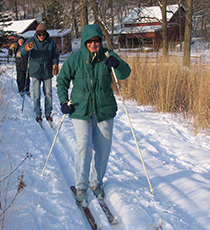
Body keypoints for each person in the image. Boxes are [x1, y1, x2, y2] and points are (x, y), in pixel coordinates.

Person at [56, 24, 131, 203]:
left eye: (96, 41)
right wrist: (63, 101)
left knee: (103, 147)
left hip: (104, 108)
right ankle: (81, 185)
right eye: (89, 41)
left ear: (100, 41)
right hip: (80, 108)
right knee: (84, 145)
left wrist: (117, 64)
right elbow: (62, 81)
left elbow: (124, 73)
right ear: (84, 42)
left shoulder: (108, 56)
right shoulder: (75, 59)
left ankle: (96, 183)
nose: (93, 44)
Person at [21, 23, 60, 123]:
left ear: (46, 34)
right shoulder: (31, 42)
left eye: (43, 34)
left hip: (47, 71)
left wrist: (55, 64)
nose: (41, 36)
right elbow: (22, 52)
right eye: (39, 35)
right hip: (35, 71)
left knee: (48, 93)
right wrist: (26, 49)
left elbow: (55, 55)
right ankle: (38, 112)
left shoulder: (51, 42)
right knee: (37, 94)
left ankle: (48, 112)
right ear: (36, 34)